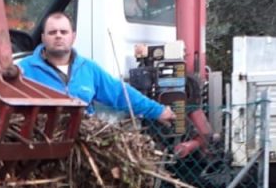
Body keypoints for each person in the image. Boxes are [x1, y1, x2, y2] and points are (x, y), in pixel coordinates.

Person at [19, 12, 175, 124]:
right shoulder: (25, 69)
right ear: (43, 37)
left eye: (63, 32)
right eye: (52, 32)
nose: (58, 36)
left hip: (81, 142)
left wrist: (157, 111)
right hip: (41, 143)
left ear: (73, 37)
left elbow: (120, 93)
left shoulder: (88, 69)